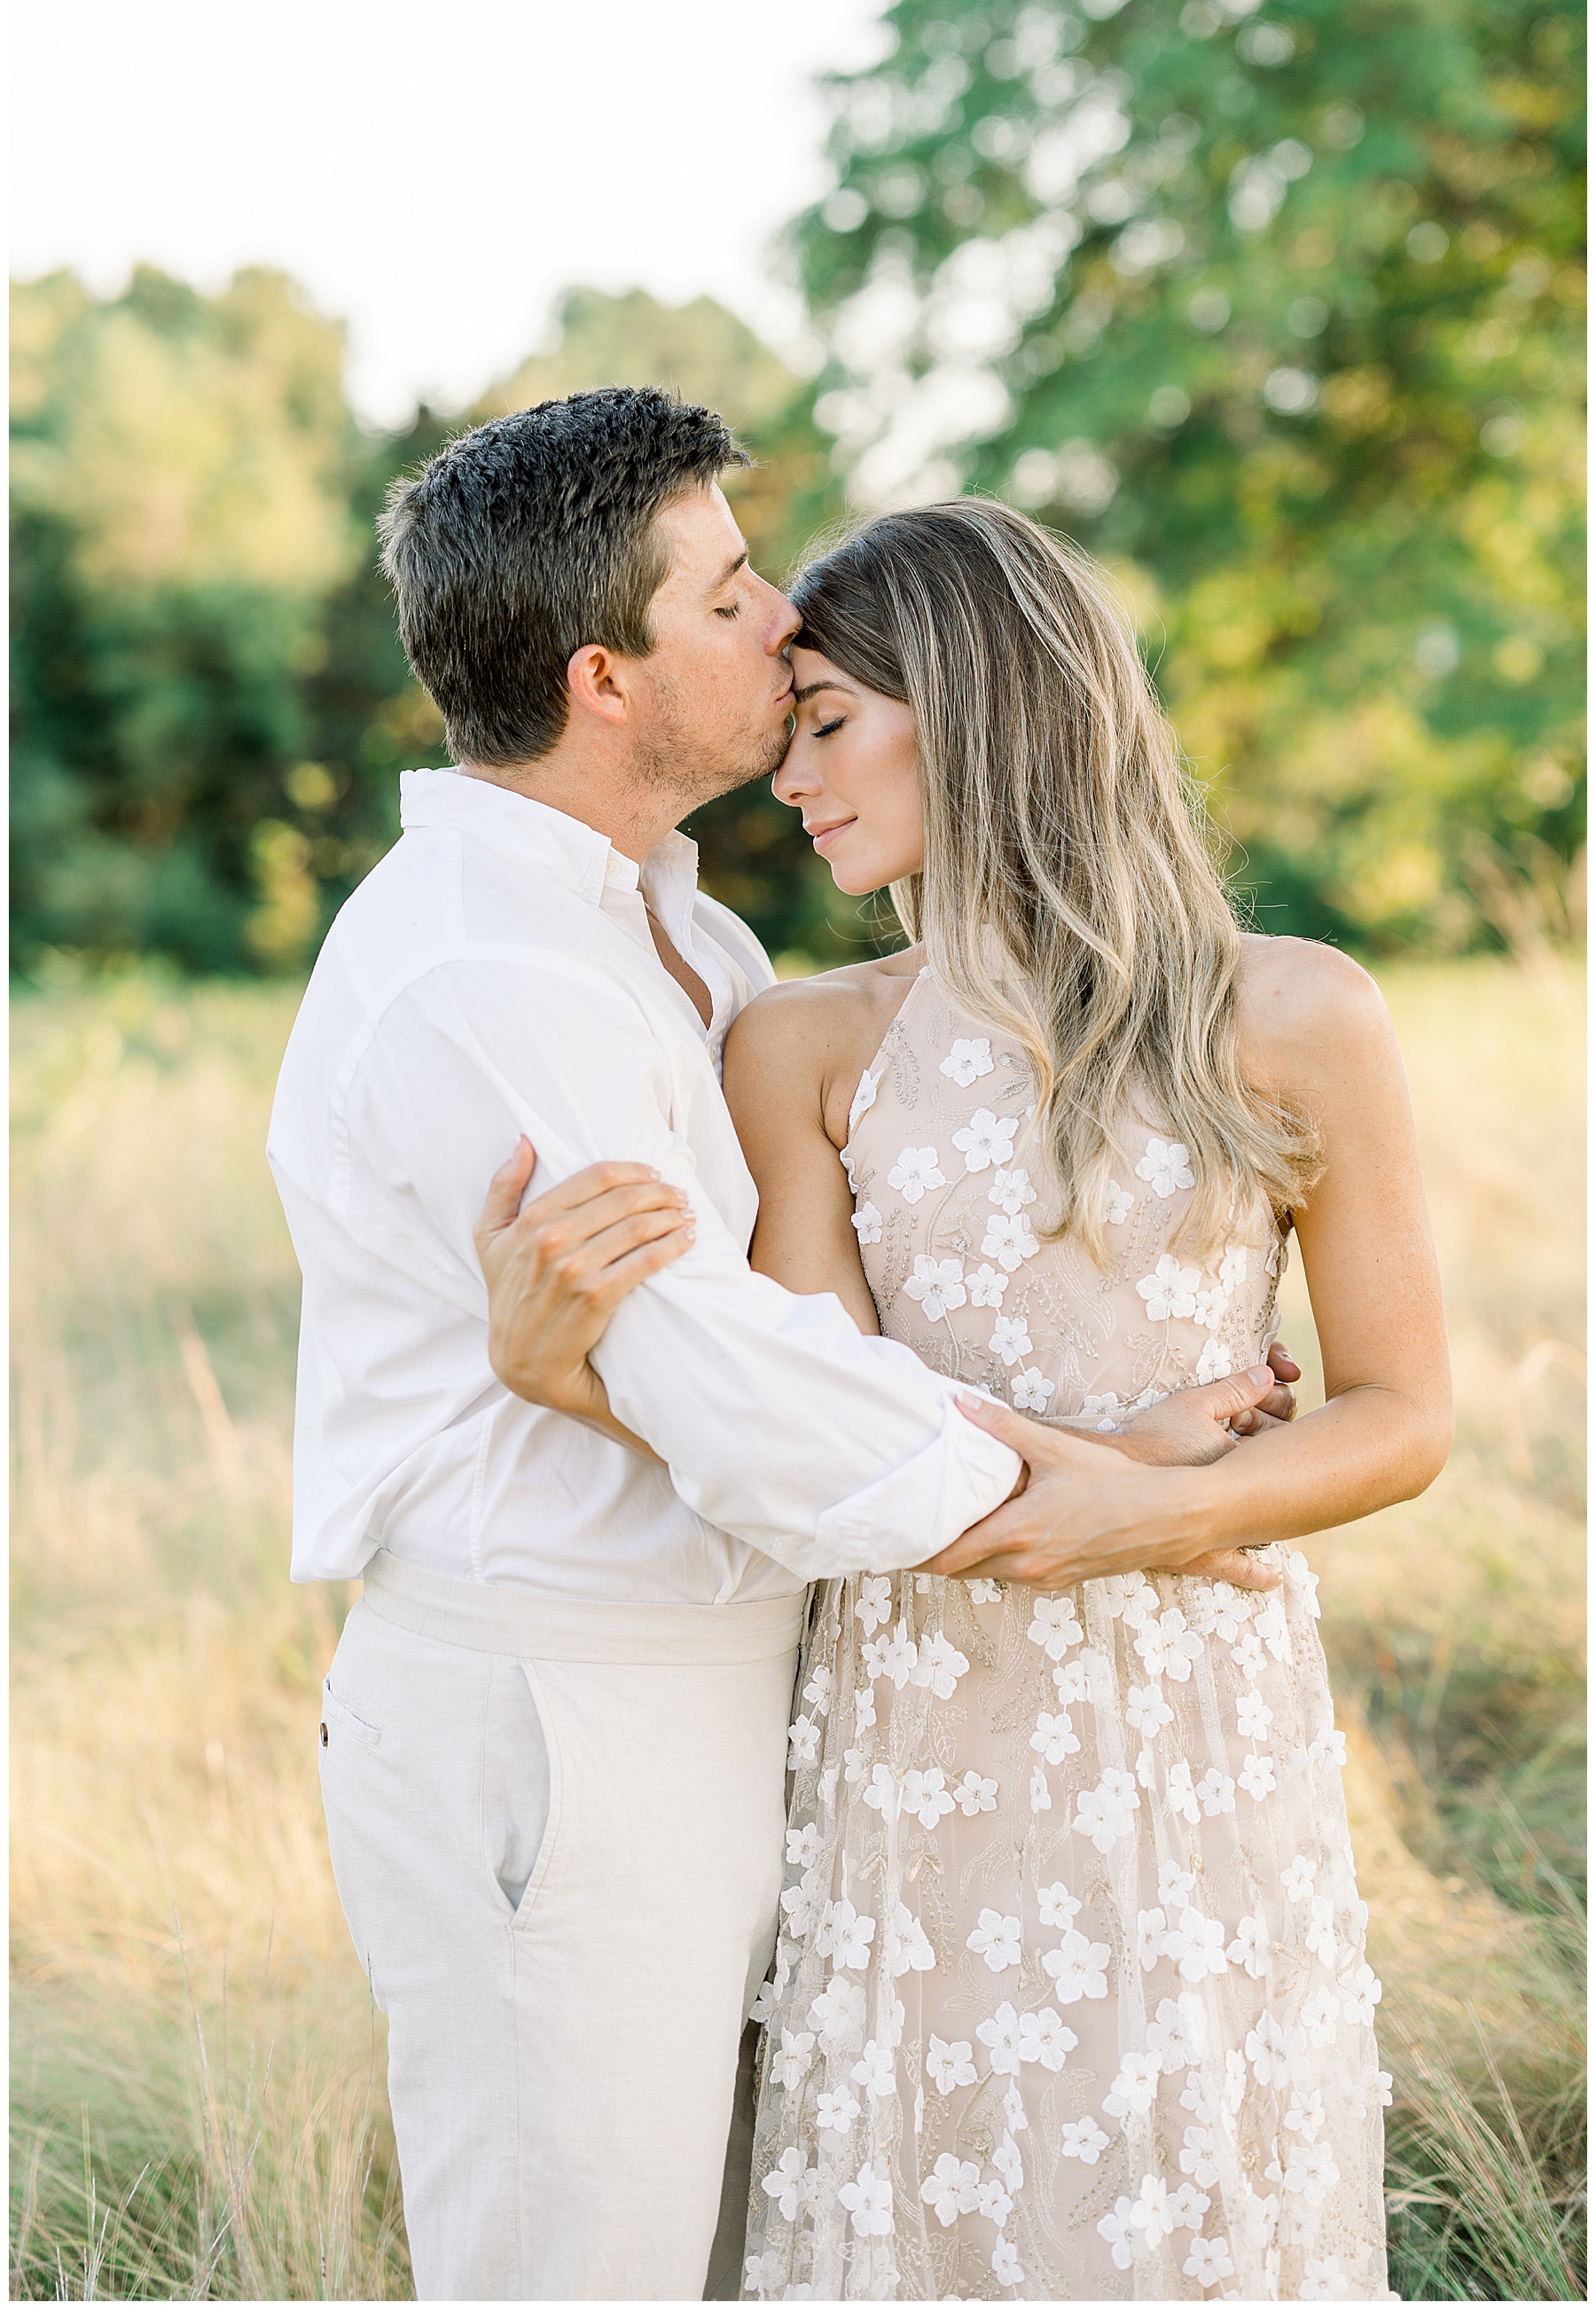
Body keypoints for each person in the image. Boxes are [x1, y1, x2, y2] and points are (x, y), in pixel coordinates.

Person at [267, 393, 1291, 2304]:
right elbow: (722, 1372)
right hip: (565, 1706)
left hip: (758, 1694)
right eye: (728, 593)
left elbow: (772, 1347)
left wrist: (581, 1375)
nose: (780, 617)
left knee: (754, 2250)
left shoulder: (686, 942)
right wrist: (1099, 1481)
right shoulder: (487, 969)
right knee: (582, 2275)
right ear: (604, 676)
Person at [480, 498, 1451, 2300]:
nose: (791, 779)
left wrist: (1164, 1508)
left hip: (1199, 1721)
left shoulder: (1295, 1015)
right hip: (921, 1725)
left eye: (829, 722)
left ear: (985, 709)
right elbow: (808, 1433)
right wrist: (567, 1379)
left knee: (1197, 2200)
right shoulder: (804, 1047)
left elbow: (1402, 1414)